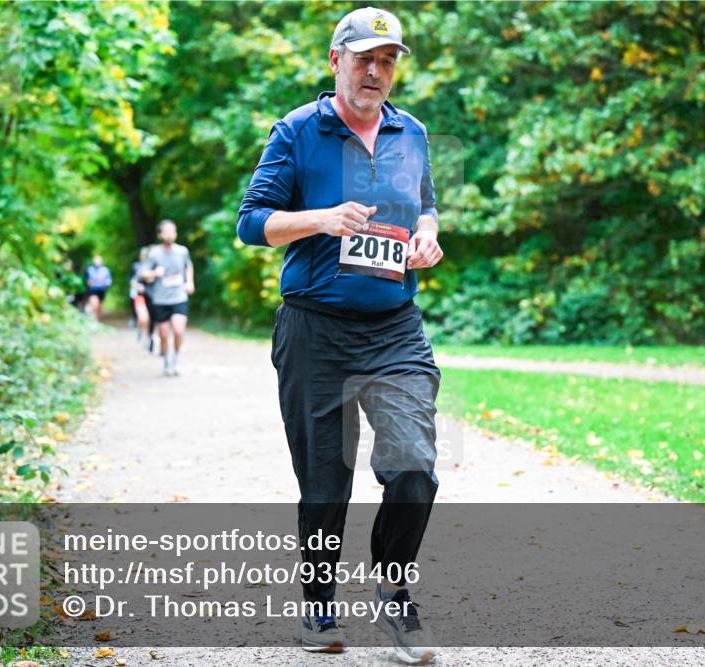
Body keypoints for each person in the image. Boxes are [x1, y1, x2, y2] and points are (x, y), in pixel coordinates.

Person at [237, 7, 443, 663]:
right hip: (314, 330)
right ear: (336, 61)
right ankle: (319, 604)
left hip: (394, 328)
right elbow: (251, 223)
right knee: (326, 480)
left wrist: (429, 233)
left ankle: (394, 592)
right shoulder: (299, 130)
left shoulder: (412, 133)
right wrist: (320, 218)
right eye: (365, 59)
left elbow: (426, 201)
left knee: (413, 464)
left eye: (388, 61)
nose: (377, 72)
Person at [141, 220, 194, 376]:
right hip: (160, 299)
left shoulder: (182, 251)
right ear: (160, 234)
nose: (170, 234)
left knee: (178, 331)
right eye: (167, 231)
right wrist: (154, 273)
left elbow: (188, 266)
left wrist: (190, 282)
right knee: (164, 334)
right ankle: (166, 362)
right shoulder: (154, 253)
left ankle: (176, 360)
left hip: (179, 297)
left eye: (173, 231)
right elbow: (144, 273)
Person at [129, 247, 152, 347]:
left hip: (152, 296)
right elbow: (132, 281)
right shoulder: (136, 266)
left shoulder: (154, 267)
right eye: (144, 255)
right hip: (139, 296)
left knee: (150, 318)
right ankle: (140, 330)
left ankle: (148, 337)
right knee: (143, 318)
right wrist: (137, 287)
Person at [84, 255, 112, 321]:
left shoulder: (105, 270)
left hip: (102, 290)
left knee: (99, 307)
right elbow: (87, 280)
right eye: (96, 260)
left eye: (98, 260)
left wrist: (105, 283)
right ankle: (94, 320)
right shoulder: (90, 269)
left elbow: (109, 281)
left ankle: (98, 321)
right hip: (93, 290)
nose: (97, 262)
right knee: (94, 305)